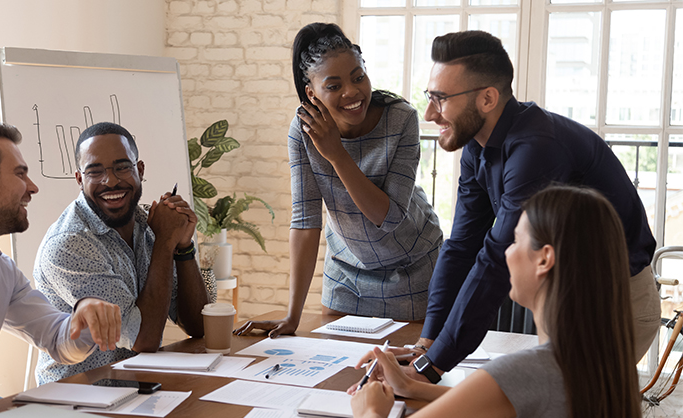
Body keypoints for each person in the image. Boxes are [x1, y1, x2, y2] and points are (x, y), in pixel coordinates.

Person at [397, 30, 659, 382]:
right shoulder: (478, 146)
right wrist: (426, 344)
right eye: (430, 96)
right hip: (564, 298)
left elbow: (495, 259)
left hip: (613, 303)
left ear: (488, 98)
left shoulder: (535, 148)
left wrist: (433, 366)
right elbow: (461, 246)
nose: (429, 113)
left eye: (440, 99)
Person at [351, 185, 642, 418]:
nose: (507, 254)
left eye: (515, 241)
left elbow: (512, 388)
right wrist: (410, 386)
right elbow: (508, 399)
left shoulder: (528, 370)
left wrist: (371, 411)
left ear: (544, 259)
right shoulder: (598, 364)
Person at [234, 22, 443, 337]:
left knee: (404, 375)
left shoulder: (401, 119)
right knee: (336, 376)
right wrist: (292, 317)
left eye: (358, 77)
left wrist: (336, 154)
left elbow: (387, 217)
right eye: (333, 86)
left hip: (414, 270)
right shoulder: (303, 131)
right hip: (347, 274)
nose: (352, 92)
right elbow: (305, 222)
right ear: (311, 92)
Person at [0, 122, 122, 417]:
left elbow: (58, 340)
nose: (33, 187)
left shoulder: (3, 273)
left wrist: (85, 314)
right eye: (19, 174)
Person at [33, 122, 208, 384]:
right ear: (80, 179)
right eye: (95, 171)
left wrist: (183, 248)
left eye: (122, 167)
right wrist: (164, 242)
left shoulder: (147, 223)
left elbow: (199, 326)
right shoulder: (69, 243)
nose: (111, 180)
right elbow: (143, 339)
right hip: (78, 399)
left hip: (137, 387)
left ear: (140, 170)